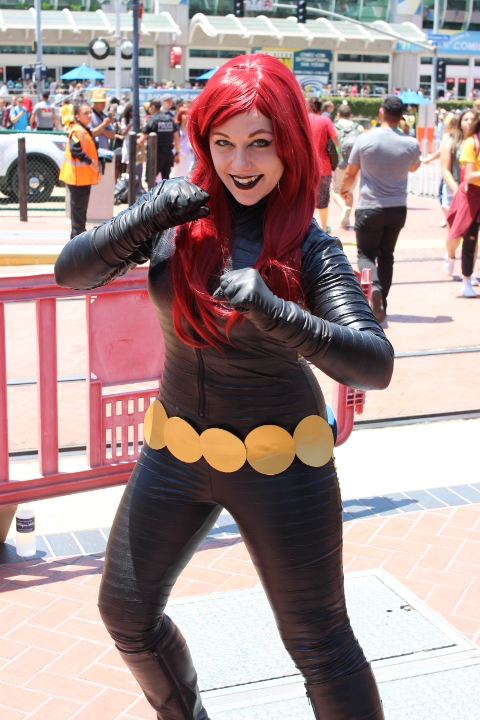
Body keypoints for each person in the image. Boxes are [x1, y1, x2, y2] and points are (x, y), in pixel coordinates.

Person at [54, 54, 393, 720]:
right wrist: (143, 216)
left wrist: (279, 312)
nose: (240, 162)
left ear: (289, 144)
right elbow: (72, 272)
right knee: (126, 613)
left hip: (282, 462)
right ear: (203, 140)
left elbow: (373, 365)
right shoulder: (178, 218)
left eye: (260, 143)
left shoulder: (310, 246)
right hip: (176, 450)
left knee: (319, 643)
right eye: (224, 141)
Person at [340, 95, 421, 322]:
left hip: (369, 207)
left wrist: (344, 190)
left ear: (381, 112)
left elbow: (351, 173)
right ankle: (382, 301)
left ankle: (372, 288)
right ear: (401, 116)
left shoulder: (365, 139)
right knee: (387, 256)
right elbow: (414, 167)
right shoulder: (411, 143)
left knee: (365, 255)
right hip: (397, 208)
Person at [446, 112, 480, 297]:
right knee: (468, 237)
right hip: (472, 196)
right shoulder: (471, 143)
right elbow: (469, 176)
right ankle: (466, 278)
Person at [59, 102, 99, 240]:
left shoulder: (84, 130)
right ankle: (78, 239)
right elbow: (75, 150)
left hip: (82, 177)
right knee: (78, 211)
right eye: (85, 113)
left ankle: (78, 238)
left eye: (90, 112)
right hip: (77, 177)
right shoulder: (77, 131)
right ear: (77, 116)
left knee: (80, 211)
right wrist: (90, 161)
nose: (89, 115)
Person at [307, 97, 338, 232]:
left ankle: (306, 228)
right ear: (320, 108)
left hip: (305, 168)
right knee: (323, 200)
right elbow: (336, 141)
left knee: (305, 200)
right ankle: (324, 228)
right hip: (323, 167)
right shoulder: (325, 120)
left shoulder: (302, 119)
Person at [331, 103, 363, 228]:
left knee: (335, 190)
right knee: (349, 191)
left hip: (340, 164)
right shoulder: (358, 127)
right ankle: (346, 220)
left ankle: (343, 208)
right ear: (350, 115)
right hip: (355, 164)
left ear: (338, 114)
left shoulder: (334, 127)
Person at [141, 98, 181, 182]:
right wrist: (177, 153)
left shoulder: (151, 120)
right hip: (168, 154)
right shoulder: (170, 119)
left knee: (150, 180)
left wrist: (135, 143)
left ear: (153, 107)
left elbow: (142, 140)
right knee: (166, 181)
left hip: (155, 155)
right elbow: (177, 139)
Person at [171, 107, 194, 178]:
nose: (186, 116)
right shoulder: (176, 126)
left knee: (187, 172)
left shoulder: (191, 126)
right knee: (175, 172)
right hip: (177, 152)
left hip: (187, 152)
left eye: (188, 114)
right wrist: (176, 153)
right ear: (180, 115)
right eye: (184, 114)